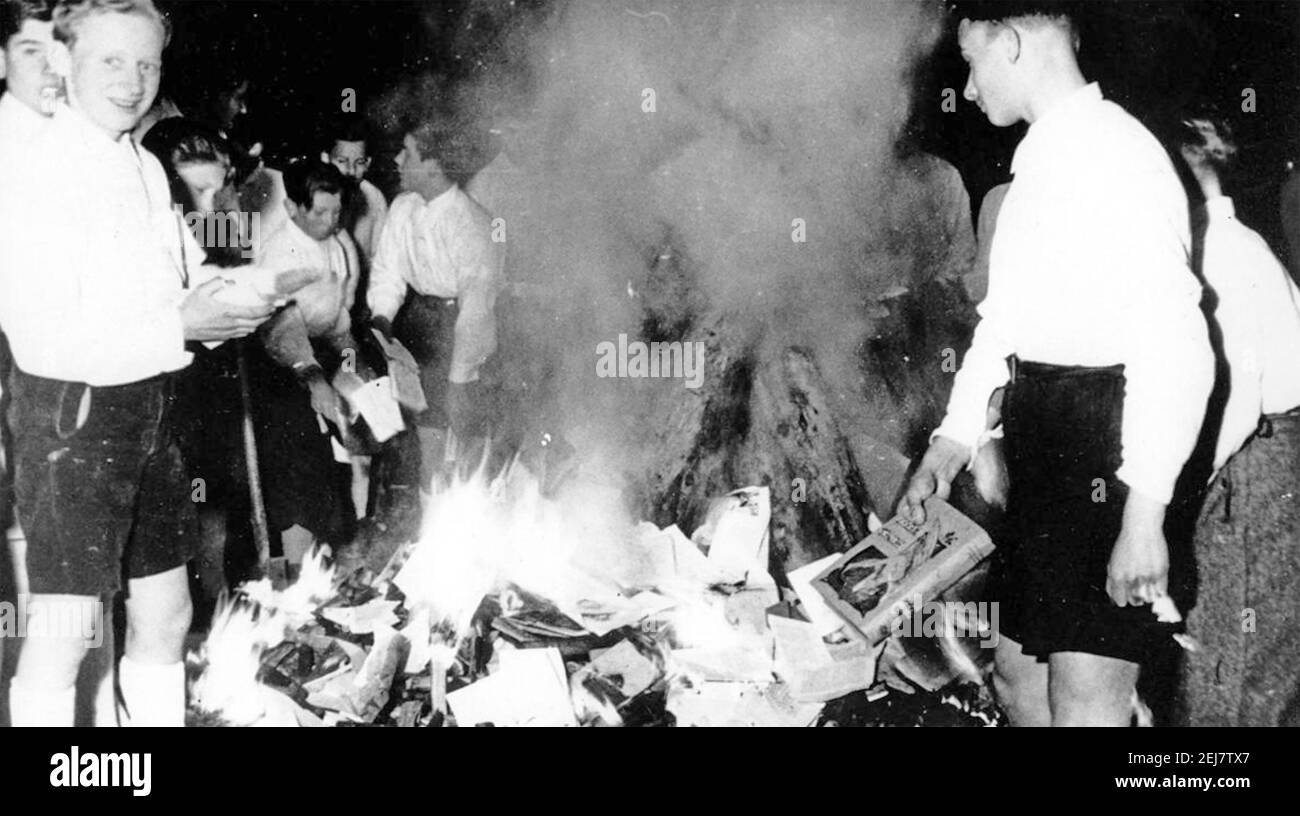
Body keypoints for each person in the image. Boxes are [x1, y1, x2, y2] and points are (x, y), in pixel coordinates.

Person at [900, 1, 1213, 726]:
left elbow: (1178, 346)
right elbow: (1004, 323)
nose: (969, 90)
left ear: (1010, 44)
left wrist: (1144, 515)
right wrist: (950, 444)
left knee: (1086, 706)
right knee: (1014, 682)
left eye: (972, 63)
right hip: (1043, 448)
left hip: (1108, 451)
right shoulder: (1042, 157)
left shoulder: (1119, 154)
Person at [0, 0, 275, 726]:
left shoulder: (145, 166)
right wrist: (182, 324)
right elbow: (42, 341)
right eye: (111, 61)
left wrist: (244, 301)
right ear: (64, 62)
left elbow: (181, 289)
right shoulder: (30, 166)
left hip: (151, 410)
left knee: (168, 610)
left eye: (147, 63)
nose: (133, 81)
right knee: (66, 632)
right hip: (74, 418)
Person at [1168, 109, 1300, 726]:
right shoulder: (1240, 244)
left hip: (1251, 473)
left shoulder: (1221, 257)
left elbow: (1238, 401)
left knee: (1229, 655)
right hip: (1269, 462)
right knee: (1263, 659)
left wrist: (1173, 493)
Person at [368, 119, 503, 491]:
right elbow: (387, 271)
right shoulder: (402, 206)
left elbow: (476, 310)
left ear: (433, 165)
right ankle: (423, 520)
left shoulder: (473, 223)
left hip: (458, 332)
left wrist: (460, 379)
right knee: (419, 435)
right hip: (414, 324)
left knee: (460, 439)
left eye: (407, 152)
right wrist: (382, 319)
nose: (397, 159)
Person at [253, 159, 361, 564]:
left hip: (326, 353)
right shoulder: (278, 251)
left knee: (339, 464)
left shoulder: (338, 243)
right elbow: (282, 328)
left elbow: (341, 316)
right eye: (320, 212)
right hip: (284, 366)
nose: (331, 221)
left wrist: (353, 364)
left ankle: (330, 563)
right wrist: (313, 377)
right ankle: (298, 572)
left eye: (337, 212)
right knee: (296, 472)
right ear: (292, 208)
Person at [321, 112, 387, 270]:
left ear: (368, 163)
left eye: (359, 162)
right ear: (325, 158)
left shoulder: (374, 198)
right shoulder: (308, 195)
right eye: (342, 161)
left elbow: (380, 259)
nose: (351, 171)